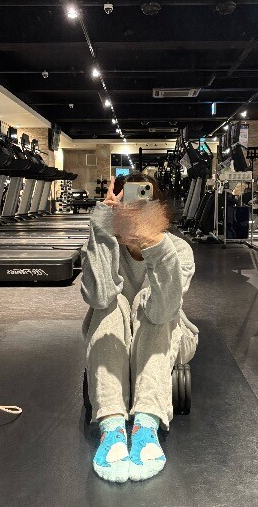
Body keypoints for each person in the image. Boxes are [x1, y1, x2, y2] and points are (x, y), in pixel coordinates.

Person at [81, 172, 199, 483]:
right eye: (125, 204)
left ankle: (146, 425)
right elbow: (98, 297)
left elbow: (163, 310)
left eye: (142, 203)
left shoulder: (178, 249)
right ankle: (112, 427)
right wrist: (101, 228)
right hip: (115, 336)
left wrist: (152, 244)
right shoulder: (105, 244)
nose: (133, 211)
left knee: (149, 299)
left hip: (169, 334)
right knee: (112, 302)